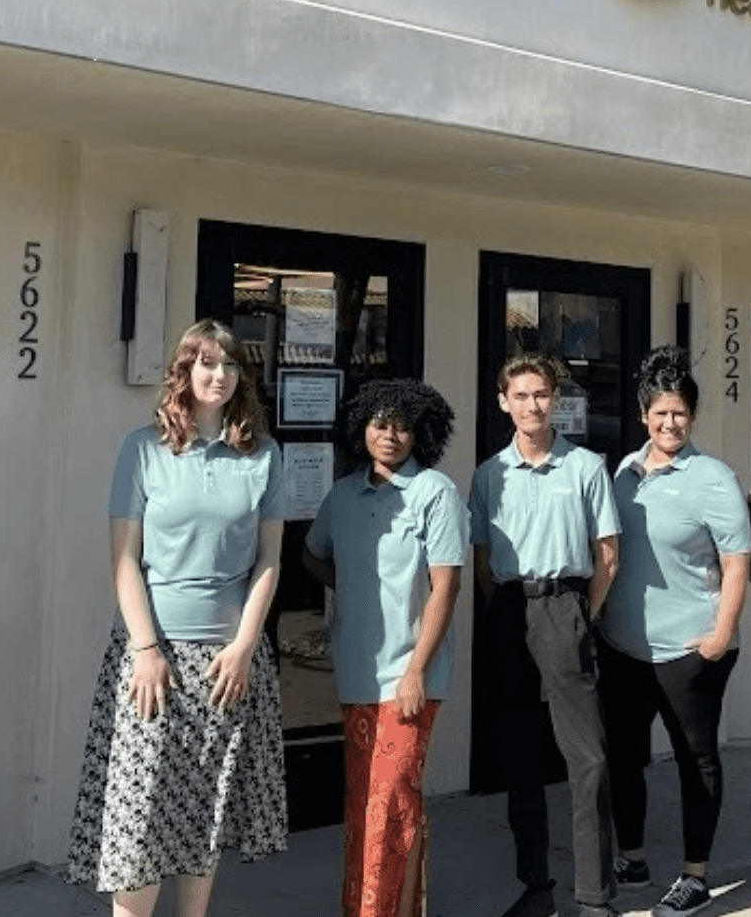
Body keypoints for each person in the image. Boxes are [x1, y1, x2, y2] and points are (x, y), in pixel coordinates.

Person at [67, 320, 287, 917]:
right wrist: (145, 649)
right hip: (153, 660)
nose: (220, 375)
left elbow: (269, 560)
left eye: (232, 365)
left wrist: (245, 647)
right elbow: (123, 561)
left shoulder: (263, 456)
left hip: (227, 662)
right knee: (140, 822)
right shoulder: (143, 449)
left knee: (203, 815)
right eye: (208, 363)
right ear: (184, 372)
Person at [302, 378, 469, 917]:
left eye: (401, 424)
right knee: (366, 806)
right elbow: (312, 555)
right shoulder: (343, 496)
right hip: (356, 671)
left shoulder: (434, 493)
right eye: (379, 423)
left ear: (420, 432)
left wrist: (417, 669)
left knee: (390, 802)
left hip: (409, 675)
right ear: (362, 429)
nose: (390, 434)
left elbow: (447, 585)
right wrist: (352, 585)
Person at [598, 346, 751, 917]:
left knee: (696, 759)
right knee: (624, 758)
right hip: (624, 647)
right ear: (644, 416)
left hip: (690, 649)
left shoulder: (713, 478)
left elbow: (738, 562)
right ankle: (633, 859)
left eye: (680, 413)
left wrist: (719, 635)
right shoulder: (623, 473)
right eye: (660, 413)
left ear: (692, 416)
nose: (670, 423)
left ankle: (695, 874)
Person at [470, 352, 622, 917]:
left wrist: (584, 614)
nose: (533, 405)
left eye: (542, 395)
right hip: (511, 611)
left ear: (554, 401)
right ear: (504, 402)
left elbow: (607, 555)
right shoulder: (488, 474)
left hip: (565, 607)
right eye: (522, 395)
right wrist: (511, 610)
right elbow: (483, 560)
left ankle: (594, 895)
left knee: (588, 759)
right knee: (519, 758)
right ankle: (536, 886)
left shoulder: (584, 467)